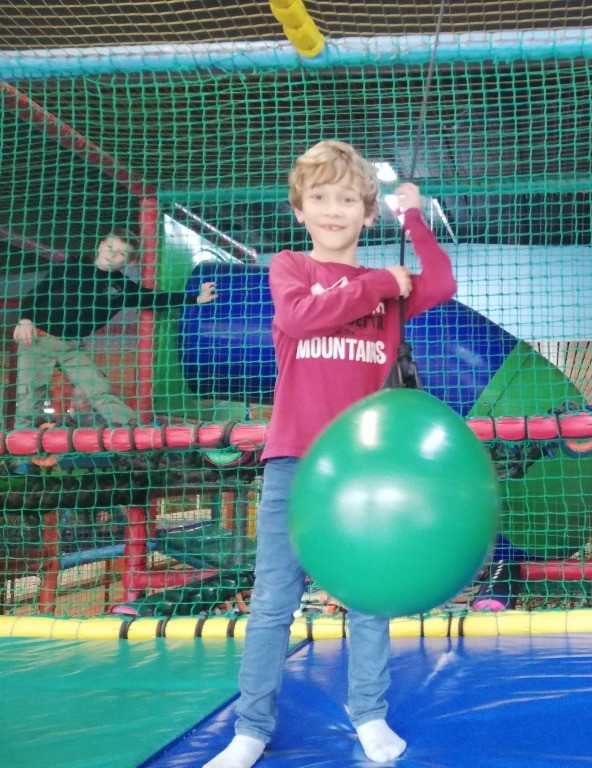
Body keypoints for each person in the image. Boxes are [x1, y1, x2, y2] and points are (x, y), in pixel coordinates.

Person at [203, 140, 456, 768]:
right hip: (293, 460)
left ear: (366, 213)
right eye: (320, 198)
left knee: (367, 600)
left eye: (347, 199)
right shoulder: (291, 267)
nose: (333, 210)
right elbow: (300, 319)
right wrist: (380, 282)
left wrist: (412, 216)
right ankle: (250, 729)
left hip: (361, 469)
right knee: (273, 603)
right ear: (301, 209)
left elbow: (444, 281)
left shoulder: (390, 293)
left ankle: (368, 713)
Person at [12, 231, 217, 428]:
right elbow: (38, 292)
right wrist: (25, 319)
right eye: (110, 247)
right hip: (38, 339)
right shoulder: (73, 265)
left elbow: (154, 297)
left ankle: (130, 426)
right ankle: (24, 434)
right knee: (30, 393)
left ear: (129, 261)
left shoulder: (120, 286)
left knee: (98, 388)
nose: (111, 255)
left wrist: (195, 298)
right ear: (101, 245)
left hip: (72, 347)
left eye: (120, 254)